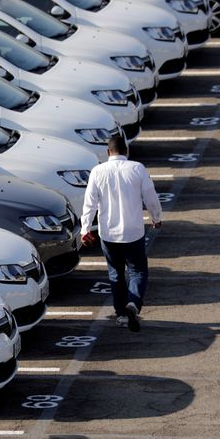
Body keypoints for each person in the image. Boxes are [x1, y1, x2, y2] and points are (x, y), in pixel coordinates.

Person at [80, 136, 162, 332]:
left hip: (108, 233)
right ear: (126, 151)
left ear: (108, 152)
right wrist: (156, 217)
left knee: (115, 274)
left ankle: (121, 314)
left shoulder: (97, 171)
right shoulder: (137, 168)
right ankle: (133, 303)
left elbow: (89, 204)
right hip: (133, 231)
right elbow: (150, 196)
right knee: (138, 271)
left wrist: (84, 229)